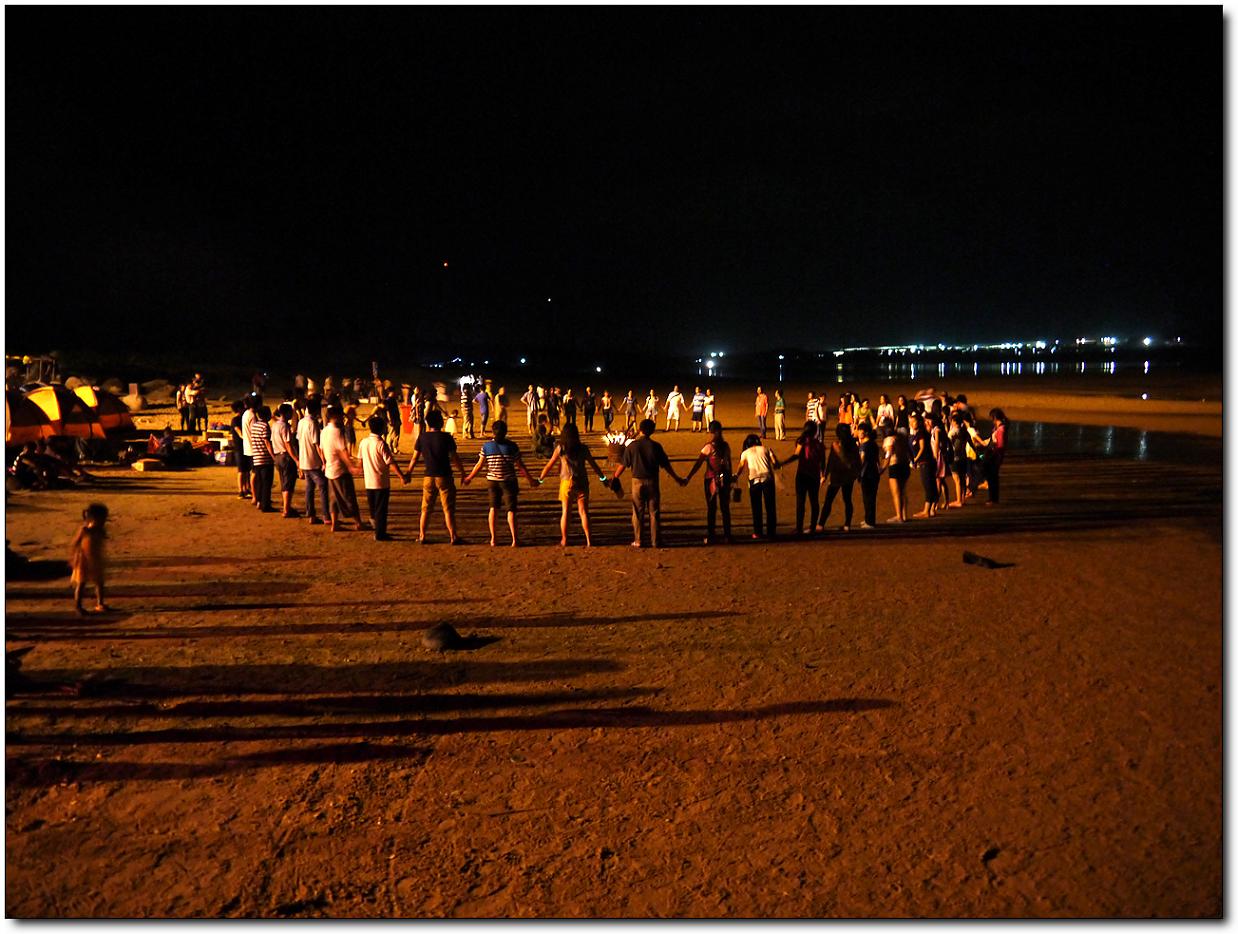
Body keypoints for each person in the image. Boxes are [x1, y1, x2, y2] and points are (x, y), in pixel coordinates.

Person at [611, 418, 686, 548]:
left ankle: (638, 540)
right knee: (654, 512)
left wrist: (615, 477)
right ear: (652, 431)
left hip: (637, 482)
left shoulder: (632, 446)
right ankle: (655, 541)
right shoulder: (656, 446)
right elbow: (666, 465)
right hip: (652, 481)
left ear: (640, 430)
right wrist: (677, 478)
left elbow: (623, 465)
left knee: (637, 512)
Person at [464, 420, 539, 547]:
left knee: (493, 508)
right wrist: (531, 480)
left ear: (493, 432)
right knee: (511, 510)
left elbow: (479, 465)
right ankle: (515, 539)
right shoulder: (512, 446)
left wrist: (469, 477)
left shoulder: (487, 446)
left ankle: (493, 539)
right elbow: (520, 466)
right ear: (505, 432)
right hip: (509, 481)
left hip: (492, 481)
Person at [538, 422, 608, 547]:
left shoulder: (561, 448)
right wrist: (603, 479)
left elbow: (549, 465)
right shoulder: (583, 448)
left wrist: (540, 480)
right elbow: (594, 465)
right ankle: (589, 540)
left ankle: (564, 539)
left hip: (567, 482)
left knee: (566, 512)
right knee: (584, 512)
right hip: (582, 481)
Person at [407, 408, 466, 545]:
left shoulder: (422, 437)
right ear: (440, 422)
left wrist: (408, 473)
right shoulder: (447, 438)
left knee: (426, 508)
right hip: (444, 475)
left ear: (428, 423)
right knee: (448, 509)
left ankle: (422, 535)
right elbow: (454, 457)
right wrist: (463, 473)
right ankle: (453, 536)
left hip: (428, 476)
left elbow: (414, 458)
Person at [358, 415, 409, 541]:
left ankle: (376, 528)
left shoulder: (364, 442)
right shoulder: (381, 444)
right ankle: (380, 533)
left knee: (373, 508)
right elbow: (390, 462)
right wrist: (401, 476)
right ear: (381, 428)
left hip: (369, 481)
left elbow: (360, 461)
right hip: (381, 481)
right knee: (381, 509)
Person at [683, 419, 734, 544]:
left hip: (711, 478)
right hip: (724, 479)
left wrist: (688, 477)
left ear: (711, 432)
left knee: (712, 508)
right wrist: (730, 479)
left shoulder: (709, 447)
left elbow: (698, 463)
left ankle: (712, 536)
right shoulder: (725, 446)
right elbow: (729, 463)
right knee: (725, 508)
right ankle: (728, 535)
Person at [321, 405, 369, 532]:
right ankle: (358, 523)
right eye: (341, 416)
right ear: (335, 416)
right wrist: (351, 467)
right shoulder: (337, 432)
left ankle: (334, 524)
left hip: (330, 470)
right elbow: (342, 451)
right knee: (349, 497)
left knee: (333, 499)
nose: (343, 418)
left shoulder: (324, 431)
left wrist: (324, 462)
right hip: (340, 469)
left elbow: (321, 449)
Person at [735, 432, 778, 539]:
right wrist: (777, 464)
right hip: (767, 479)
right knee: (770, 507)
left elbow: (741, 466)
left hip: (754, 481)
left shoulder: (745, 453)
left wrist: (736, 475)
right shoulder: (766, 449)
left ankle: (758, 532)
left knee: (756, 507)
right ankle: (771, 532)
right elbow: (775, 462)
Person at [69, 503, 110, 616]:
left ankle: (100, 603)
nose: (104, 521)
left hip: (96, 559)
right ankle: (78, 606)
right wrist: (73, 558)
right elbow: (75, 544)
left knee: (99, 582)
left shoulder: (100, 530)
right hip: (84, 560)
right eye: (102, 519)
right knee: (81, 583)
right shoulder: (85, 530)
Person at [818, 423, 859, 532]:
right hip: (849, 476)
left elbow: (831, 461)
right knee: (847, 500)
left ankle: (821, 524)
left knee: (828, 500)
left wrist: (825, 475)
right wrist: (857, 473)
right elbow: (857, 460)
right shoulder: (853, 444)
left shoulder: (836, 445)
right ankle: (847, 525)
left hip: (836, 476)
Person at [785, 422, 824, 535]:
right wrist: (823, 474)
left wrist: (783, 463)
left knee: (800, 502)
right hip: (814, 475)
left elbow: (796, 455)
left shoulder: (802, 441)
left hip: (802, 474)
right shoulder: (819, 444)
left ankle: (799, 528)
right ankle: (812, 527)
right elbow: (823, 461)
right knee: (814, 501)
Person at [297, 397, 330, 525]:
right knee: (323, 486)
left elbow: (299, 440)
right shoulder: (313, 423)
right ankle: (326, 516)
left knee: (309, 488)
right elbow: (317, 445)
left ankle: (311, 514)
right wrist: (324, 461)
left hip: (304, 460)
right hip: (313, 461)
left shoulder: (301, 422)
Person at [270, 403, 300, 518]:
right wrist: (296, 459)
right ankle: (286, 509)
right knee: (288, 484)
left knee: (284, 482)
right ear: (287, 413)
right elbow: (288, 444)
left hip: (278, 455)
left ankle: (286, 506)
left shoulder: (275, 425)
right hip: (286, 456)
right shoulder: (285, 426)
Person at [974, 408, 1008, 505]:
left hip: (995, 456)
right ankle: (993, 498)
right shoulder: (998, 428)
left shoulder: (1001, 429)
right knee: (992, 477)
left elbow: (1000, 445)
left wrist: (994, 453)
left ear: (995, 418)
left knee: (992, 478)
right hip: (995, 455)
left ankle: (993, 499)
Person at [248, 405, 276, 513]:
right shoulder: (265, 426)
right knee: (266, 483)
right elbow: (267, 443)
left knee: (259, 482)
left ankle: (259, 501)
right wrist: (273, 456)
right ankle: (265, 505)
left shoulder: (254, 426)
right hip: (265, 458)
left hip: (256, 457)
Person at [882, 422, 912, 523]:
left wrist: (883, 468)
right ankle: (904, 515)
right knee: (903, 491)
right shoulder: (901, 437)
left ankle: (899, 516)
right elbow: (908, 450)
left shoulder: (889, 440)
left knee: (896, 493)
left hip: (895, 466)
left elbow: (889, 453)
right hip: (904, 465)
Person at [855, 421, 881, 530]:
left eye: (860, 431)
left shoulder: (864, 446)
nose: (858, 433)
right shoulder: (873, 444)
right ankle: (869, 519)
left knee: (867, 498)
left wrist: (857, 472)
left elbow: (862, 460)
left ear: (865, 432)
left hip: (867, 474)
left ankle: (870, 522)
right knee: (871, 498)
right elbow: (877, 459)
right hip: (874, 473)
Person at [229, 399, 252, 500]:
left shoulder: (244, 417)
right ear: (239, 409)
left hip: (246, 447)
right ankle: (240, 491)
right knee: (241, 470)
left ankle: (247, 489)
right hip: (239, 448)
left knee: (247, 470)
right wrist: (247, 437)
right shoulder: (235, 420)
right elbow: (239, 433)